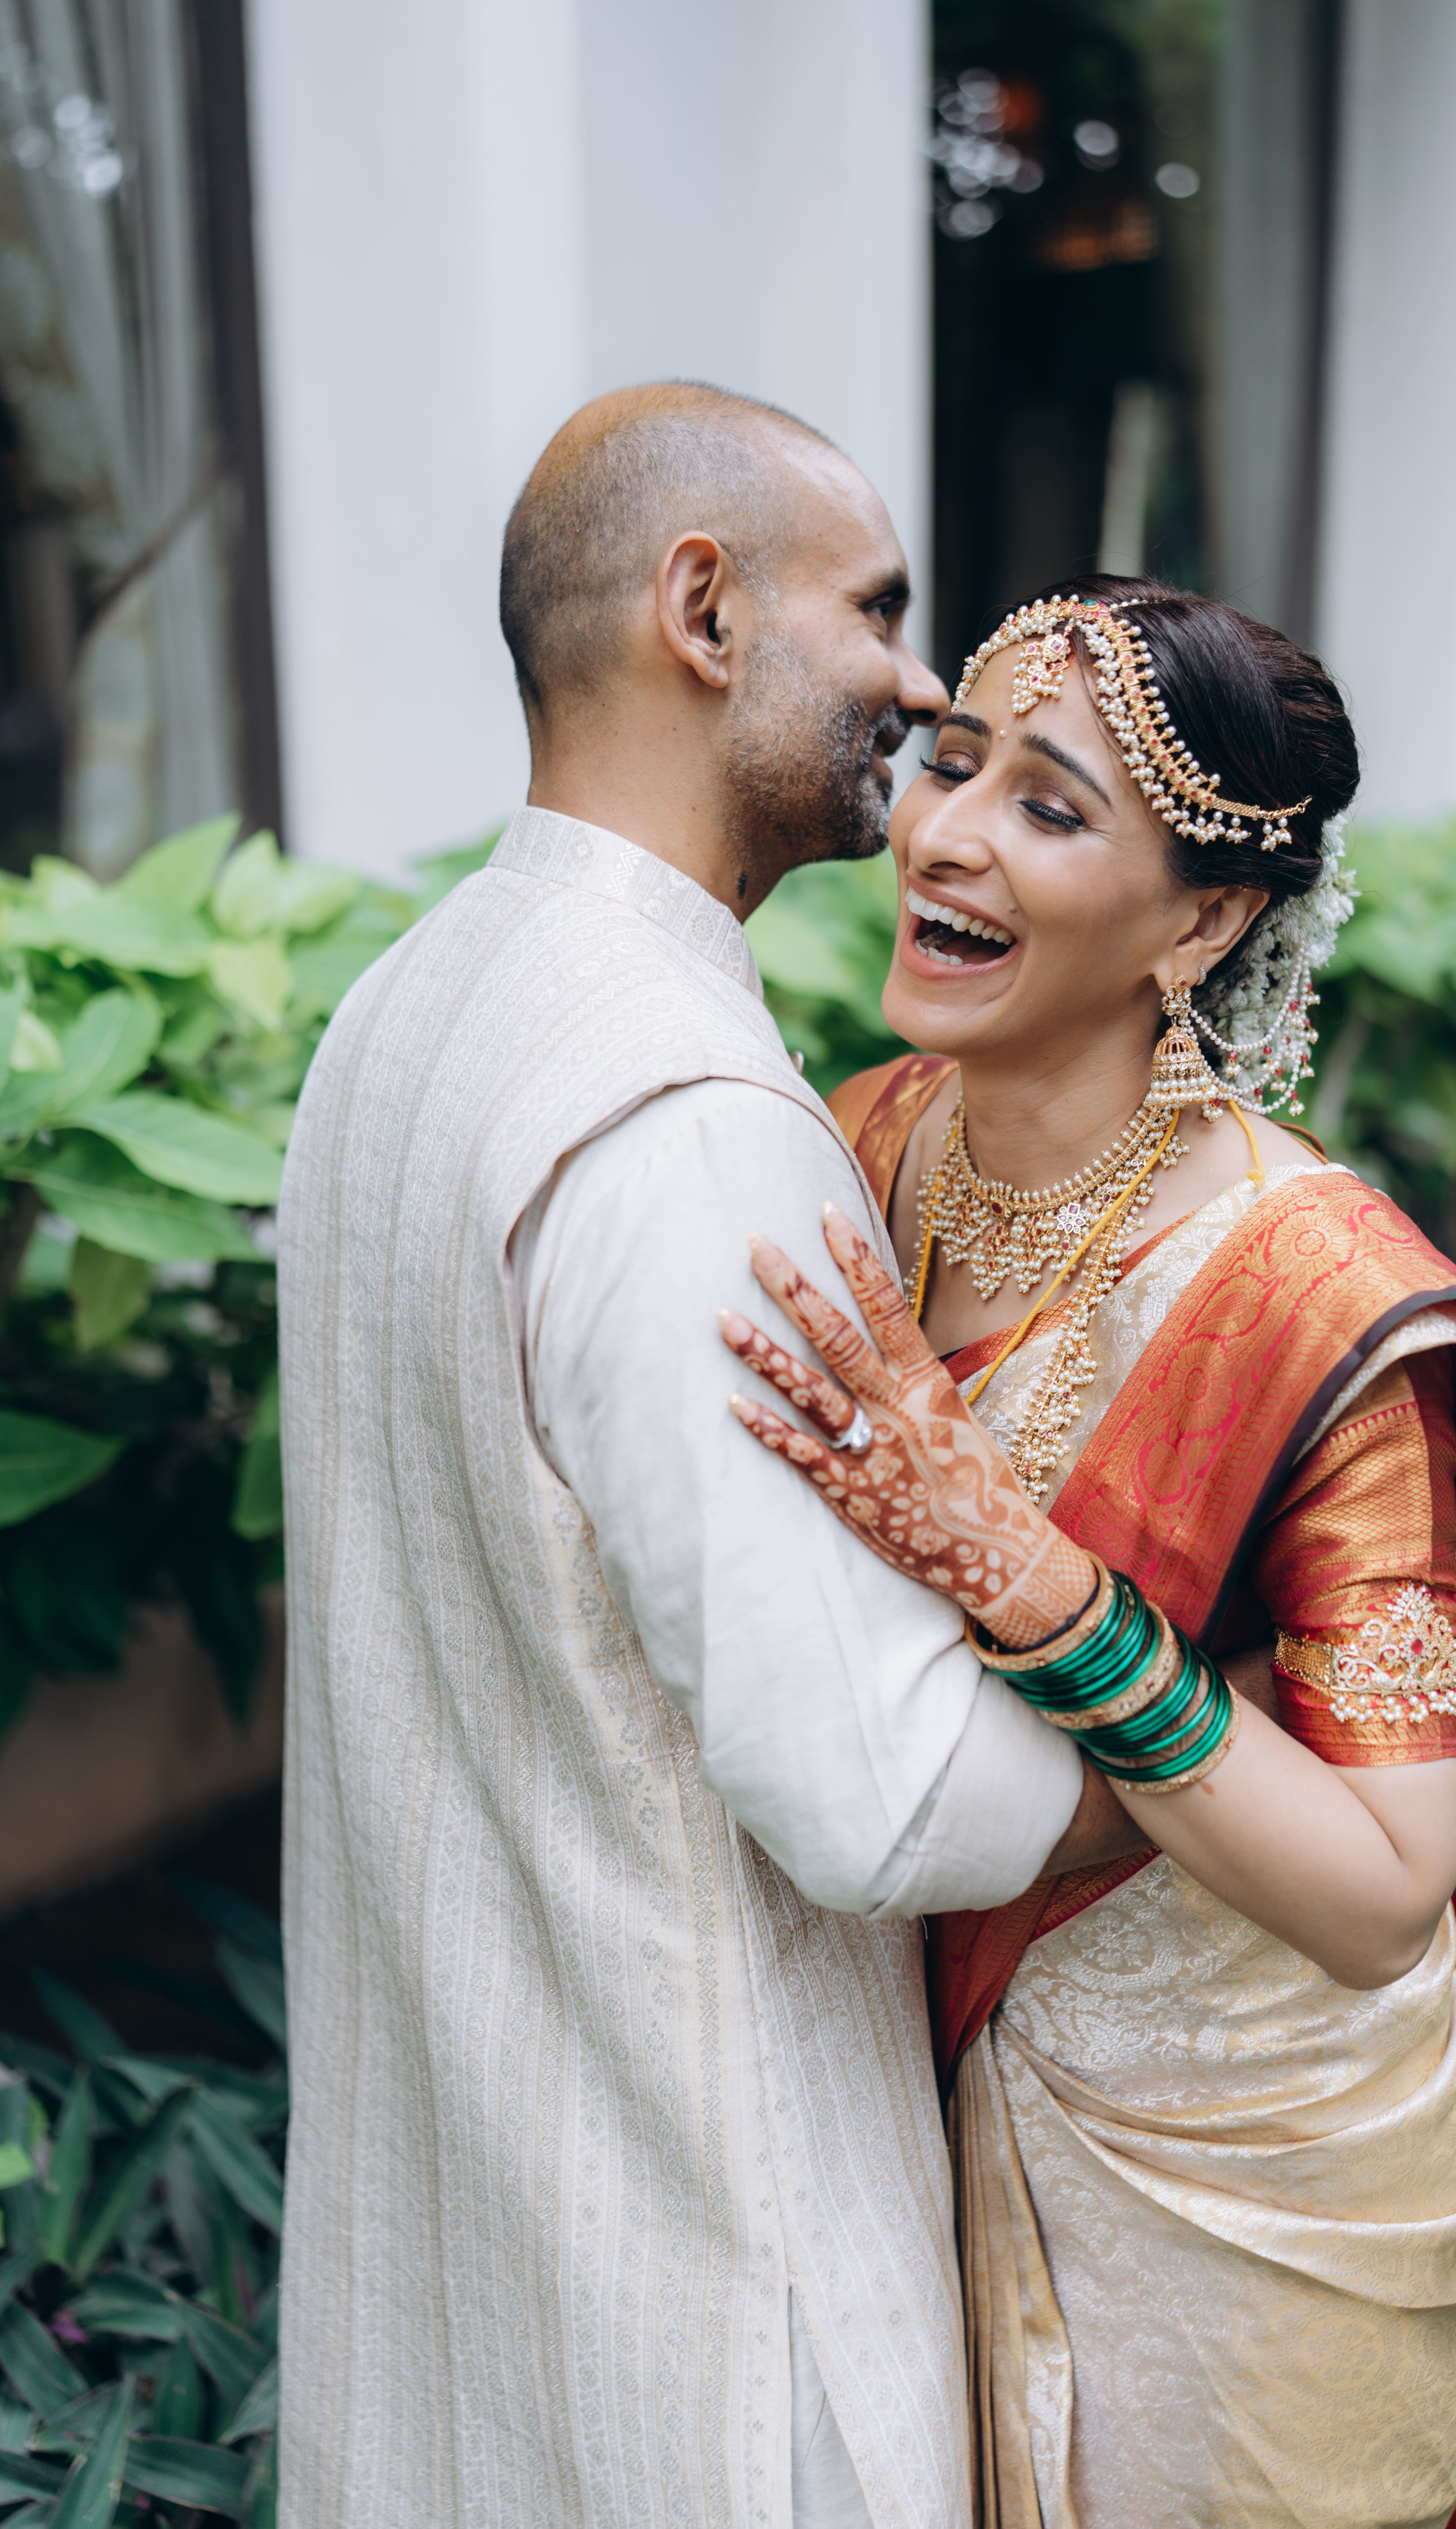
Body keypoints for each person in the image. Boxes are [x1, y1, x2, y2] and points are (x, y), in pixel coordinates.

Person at [275, 391, 1144, 2528]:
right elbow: (878, 1794)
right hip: (707, 2297)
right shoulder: (687, 1122)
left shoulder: (405, 1008)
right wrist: (1198, 1753)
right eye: (877, 612)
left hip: (467, 2243)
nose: (919, 690)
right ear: (703, 609)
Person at [721, 578, 1456, 2529]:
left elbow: (1385, 1888)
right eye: (952, 763)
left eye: (1052, 806)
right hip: (915, 2056)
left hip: (1245, 2148)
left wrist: (1029, 1583)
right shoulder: (863, 1144)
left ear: (1204, 922)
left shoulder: (1315, 1303)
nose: (946, 834)